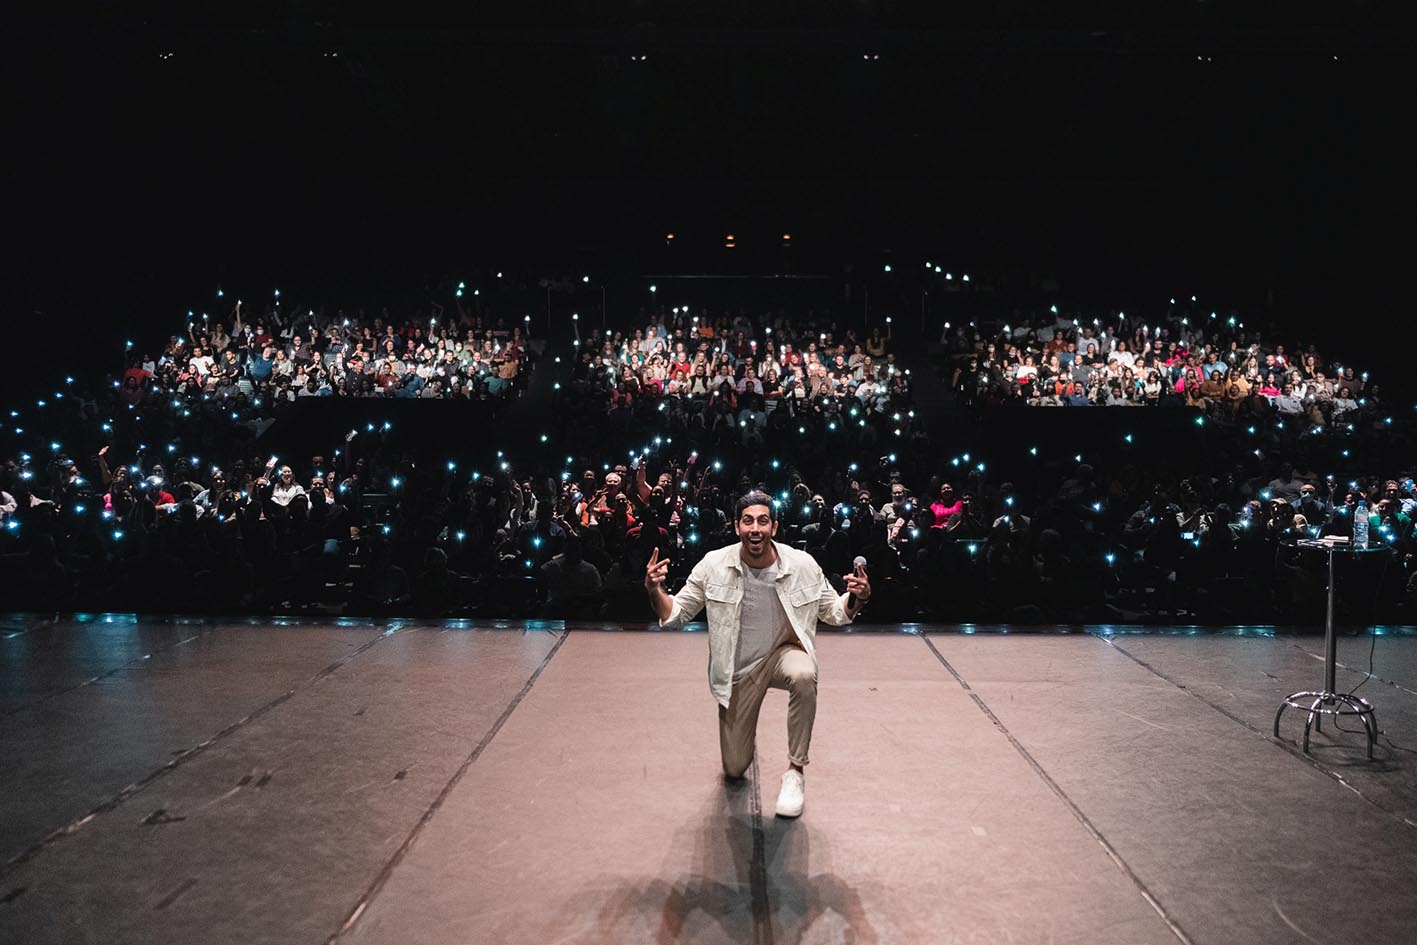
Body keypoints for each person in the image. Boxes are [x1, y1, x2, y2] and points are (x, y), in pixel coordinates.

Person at [644, 490, 871, 818]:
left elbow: (835, 611)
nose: (755, 528)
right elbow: (675, 613)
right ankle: (741, 745)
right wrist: (655, 590)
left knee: (805, 674)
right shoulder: (713, 565)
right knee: (735, 769)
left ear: (774, 527)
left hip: (783, 655)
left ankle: (795, 772)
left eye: (762, 521)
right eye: (748, 521)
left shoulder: (802, 565)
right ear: (737, 527)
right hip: (738, 670)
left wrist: (858, 598)